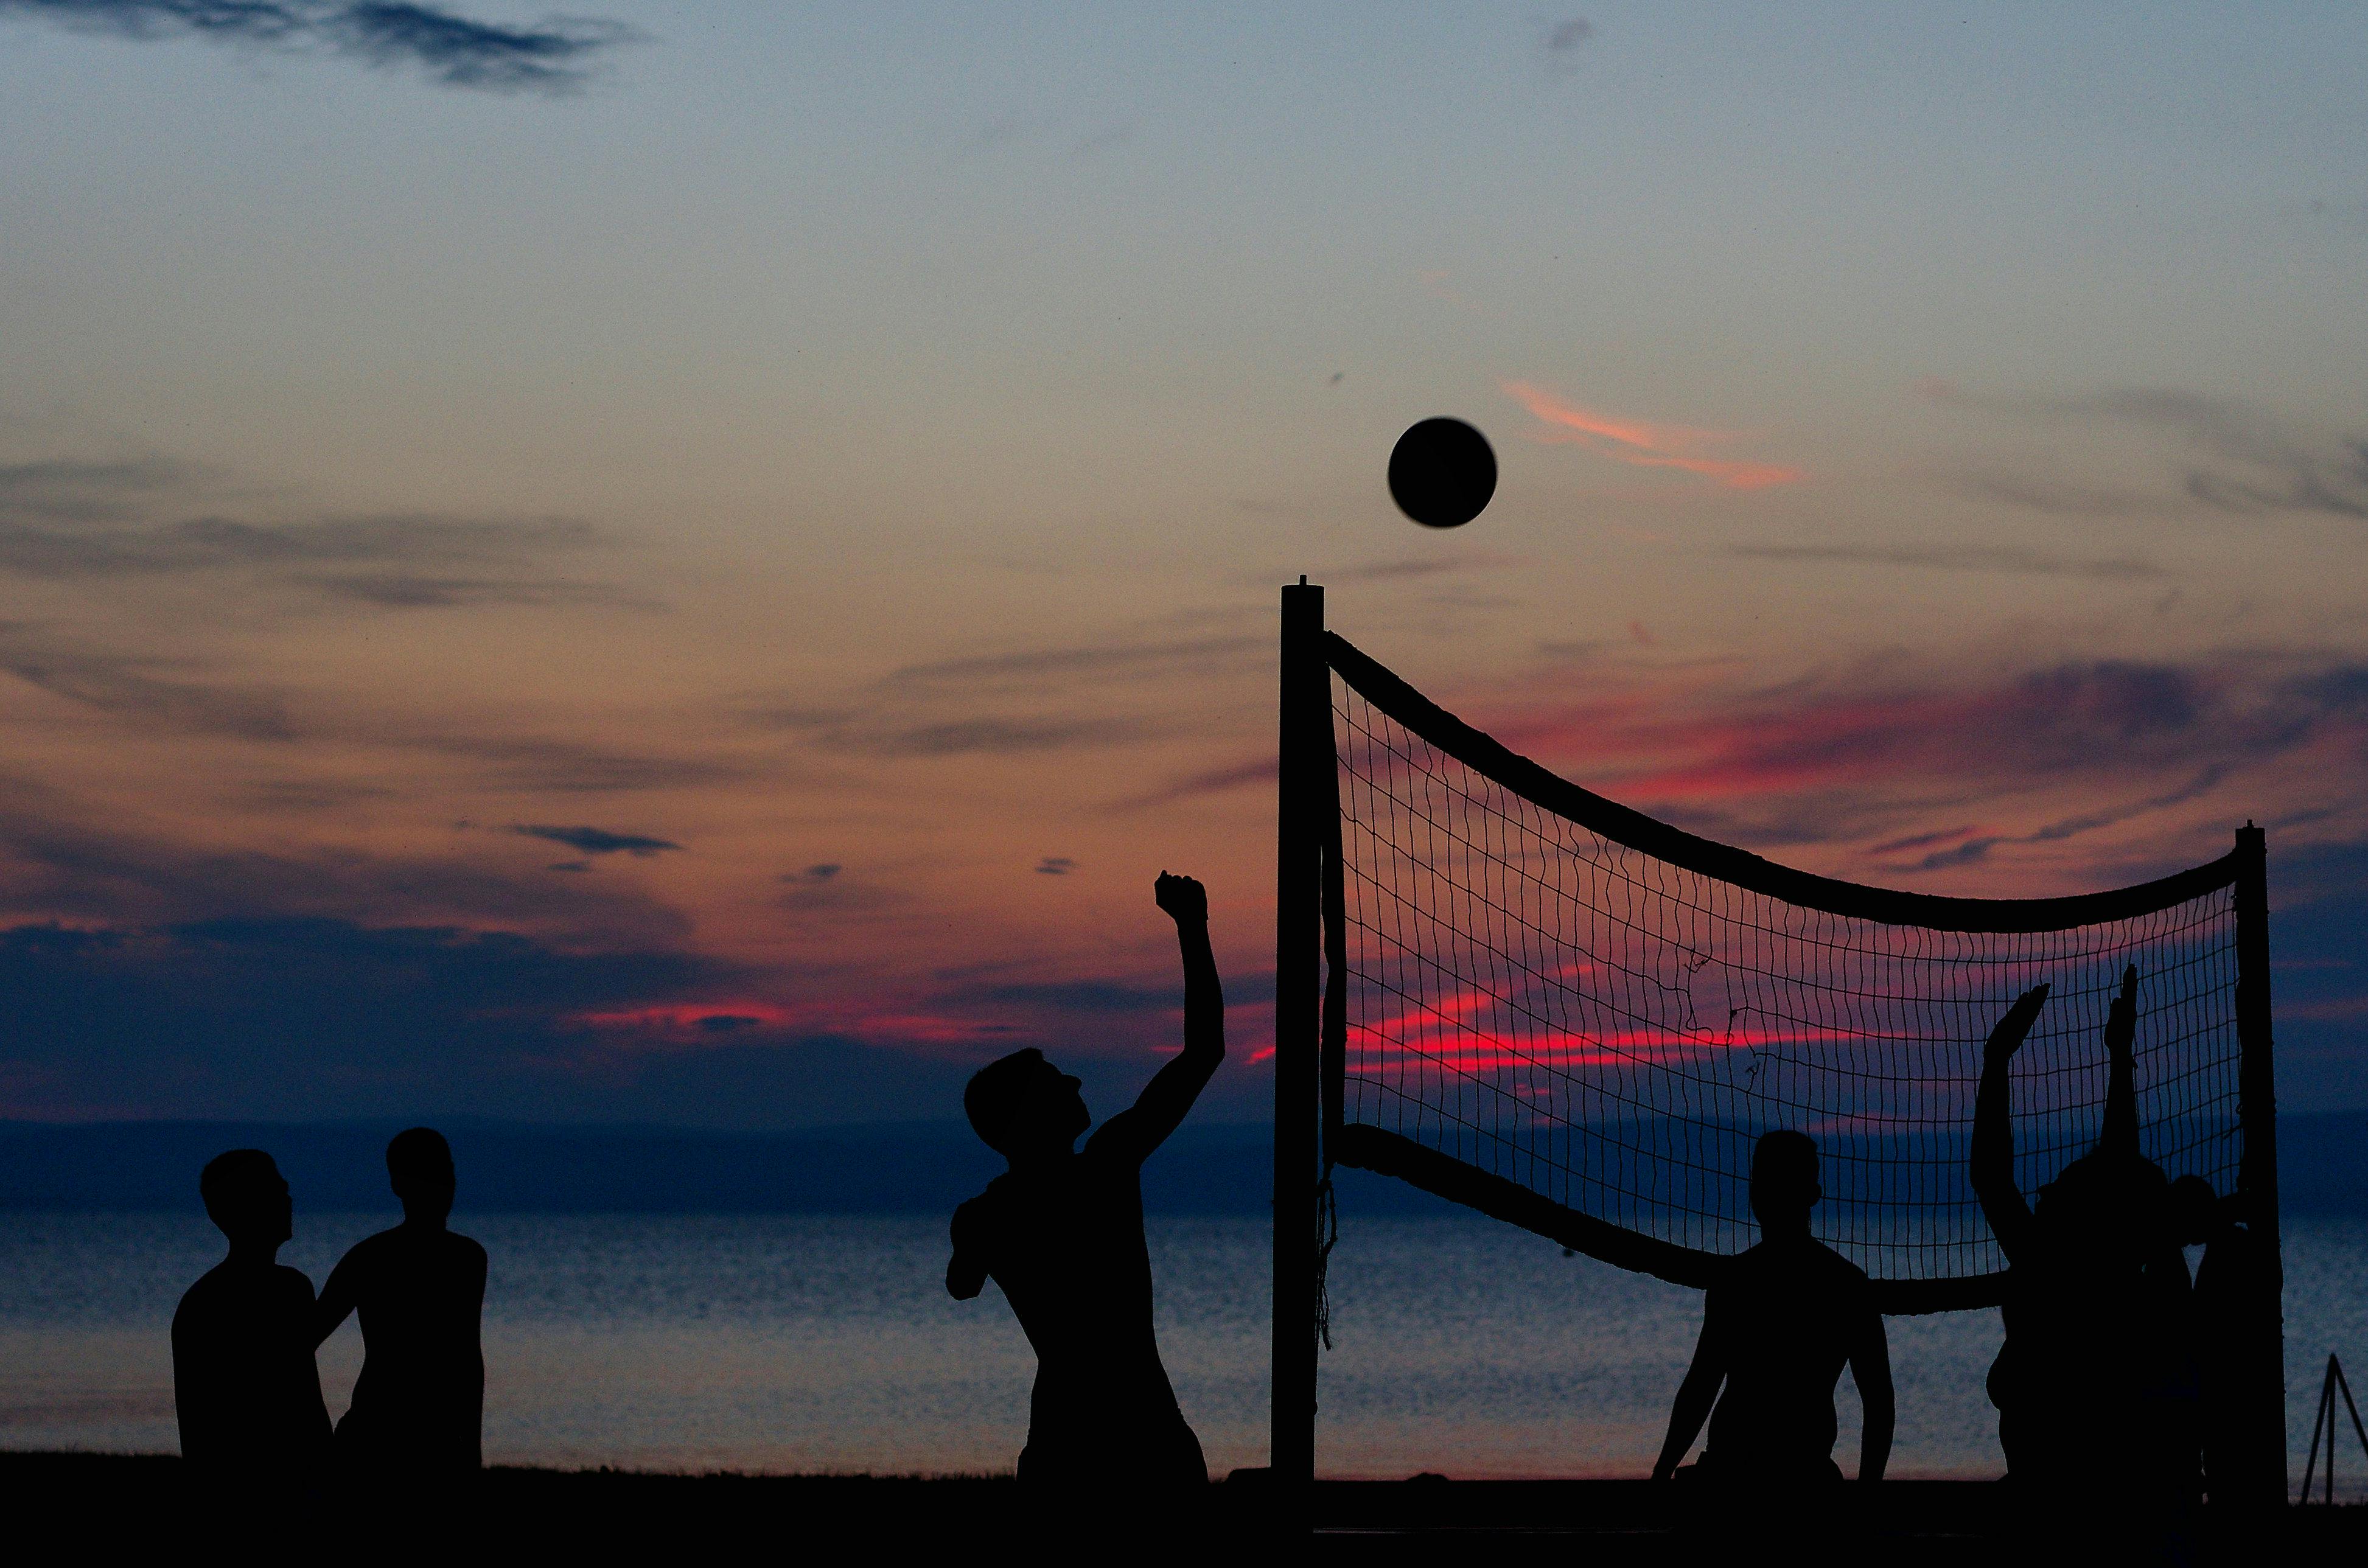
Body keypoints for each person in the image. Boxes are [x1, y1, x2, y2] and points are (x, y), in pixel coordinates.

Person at [946, 871, 1224, 1491]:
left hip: (1066, 1443)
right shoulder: (1105, 1168)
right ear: (1025, 1116)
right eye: (1055, 1081)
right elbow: (1204, 1051)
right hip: (1143, 1440)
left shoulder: (985, 1214)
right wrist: (1191, 925)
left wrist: (976, 1242)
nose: (1074, 1082)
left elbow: (961, 1286)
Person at [1973, 967, 2195, 1547]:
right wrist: (2119, 1057)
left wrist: (1997, 1060)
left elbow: (1993, 1176)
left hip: (2062, 1511)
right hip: (2123, 1507)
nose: (2045, 1191)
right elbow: (2118, 1167)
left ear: (2075, 1213)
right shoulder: (2128, 1278)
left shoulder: (2053, 1272)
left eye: (2055, 1191)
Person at [1650, 1131, 1894, 1494]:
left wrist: (1661, 1473)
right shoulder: (1845, 1283)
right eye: (1763, 1182)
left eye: (1777, 1183)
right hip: (1783, 1472)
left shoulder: (1737, 1281)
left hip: (1746, 1473)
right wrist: (1869, 1489)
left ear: (1811, 1195)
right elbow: (1879, 1403)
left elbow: (1701, 1386)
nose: (1766, 1193)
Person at [316, 1127, 487, 1489]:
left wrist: (471, 1451)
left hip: (434, 1439)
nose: (442, 1184)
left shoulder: (467, 1258)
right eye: (428, 1173)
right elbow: (303, 1341)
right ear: (399, 1185)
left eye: (445, 1172)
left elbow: (468, 1359)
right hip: (374, 1433)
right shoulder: (370, 1257)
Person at [173, 1149, 333, 1499]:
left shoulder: (290, 1288)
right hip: (250, 1487)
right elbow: (201, 1417)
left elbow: (306, 1399)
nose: (288, 1200)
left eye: (283, 1190)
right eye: (275, 1191)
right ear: (242, 1206)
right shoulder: (210, 1303)